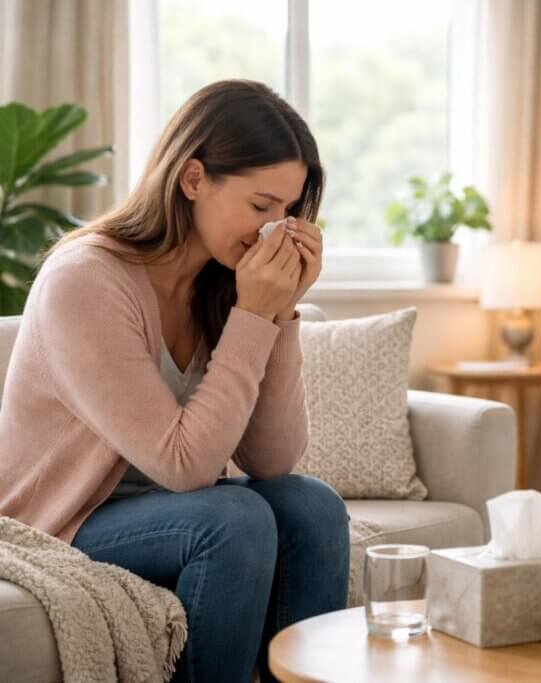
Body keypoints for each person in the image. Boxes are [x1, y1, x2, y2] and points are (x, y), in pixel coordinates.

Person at [0, 79, 349, 683]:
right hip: (62, 521)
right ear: (193, 180)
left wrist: (281, 311)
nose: (276, 230)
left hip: (168, 511)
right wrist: (251, 316)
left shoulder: (220, 279)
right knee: (233, 520)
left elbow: (272, 460)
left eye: (290, 212)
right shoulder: (85, 280)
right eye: (261, 207)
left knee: (312, 505)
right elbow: (186, 466)